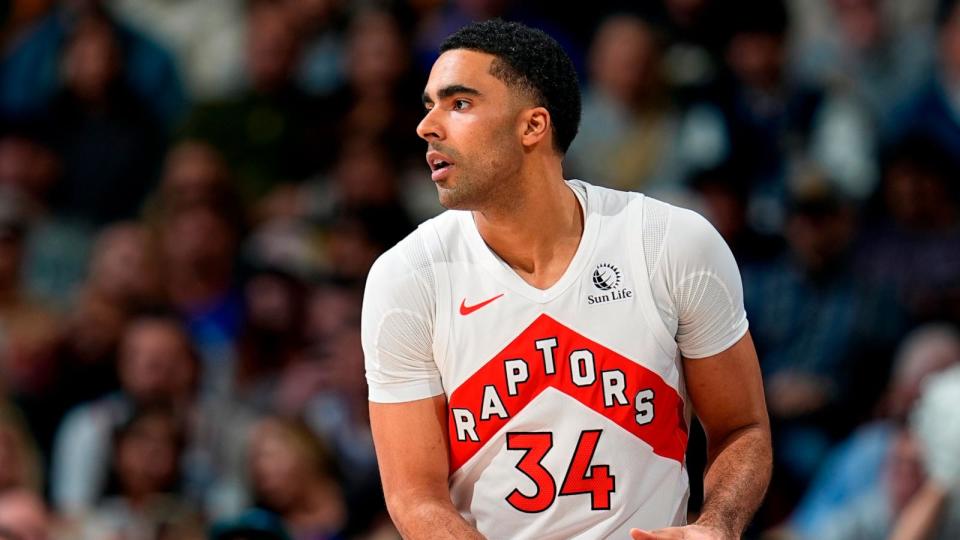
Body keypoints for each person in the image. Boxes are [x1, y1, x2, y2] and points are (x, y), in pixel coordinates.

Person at [361, 19, 771, 539]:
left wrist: (716, 526)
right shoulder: (406, 277)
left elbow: (743, 428)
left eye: (458, 103)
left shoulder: (670, 244)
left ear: (533, 126)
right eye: (429, 105)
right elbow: (414, 496)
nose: (427, 126)